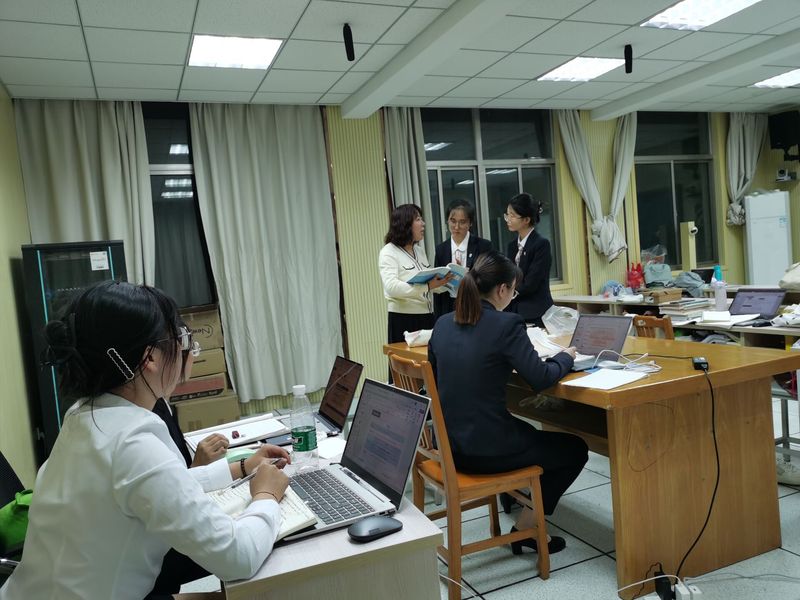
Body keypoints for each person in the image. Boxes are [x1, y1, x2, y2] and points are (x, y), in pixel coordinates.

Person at [0, 281, 289, 600]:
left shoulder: (84, 415)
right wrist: (266, 496)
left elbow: (149, 486)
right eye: (181, 339)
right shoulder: (133, 442)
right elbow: (238, 558)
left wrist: (239, 469)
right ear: (149, 357)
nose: (188, 350)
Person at [428, 251, 587, 555]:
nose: (512, 297)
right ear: (502, 290)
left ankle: (513, 496)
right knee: (574, 449)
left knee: (525, 431)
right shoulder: (507, 324)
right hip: (485, 451)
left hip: (448, 446)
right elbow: (540, 378)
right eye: (513, 291)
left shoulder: (443, 324)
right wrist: (565, 357)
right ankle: (526, 529)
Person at [379, 204, 451, 346]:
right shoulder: (388, 252)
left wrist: (447, 281)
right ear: (405, 224)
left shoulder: (419, 251)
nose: (423, 224)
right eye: (418, 219)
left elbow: (430, 284)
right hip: (403, 319)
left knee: (430, 358)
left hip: (427, 316)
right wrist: (427, 286)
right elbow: (391, 287)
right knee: (405, 360)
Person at [433, 199, 492, 320]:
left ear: (470, 223)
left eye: (462, 222)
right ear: (447, 220)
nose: (456, 227)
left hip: (476, 305)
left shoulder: (483, 246)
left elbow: (489, 278)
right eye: (453, 221)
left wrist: (466, 274)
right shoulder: (441, 249)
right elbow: (437, 286)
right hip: (448, 307)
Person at [504, 193, 554, 327]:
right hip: (513, 309)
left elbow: (531, 283)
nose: (508, 219)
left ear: (526, 219)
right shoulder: (511, 245)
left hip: (535, 311)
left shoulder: (541, 244)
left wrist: (507, 291)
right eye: (507, 215)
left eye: (512, 215)